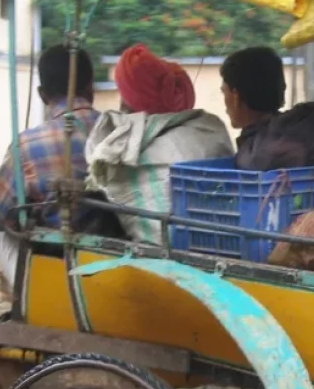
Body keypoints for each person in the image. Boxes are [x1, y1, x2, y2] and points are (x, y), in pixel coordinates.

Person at [0, 44, 100, 358]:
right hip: (113, 264)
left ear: (43, 95)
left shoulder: (30, 143)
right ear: (91, 87)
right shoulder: (117, 131)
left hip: (56, 275)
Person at [83, 44, 234, 244]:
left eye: (123, 96)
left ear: (131, 101)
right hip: (220, 244)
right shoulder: (209, 129)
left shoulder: (123, 144)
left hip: (155, 257)